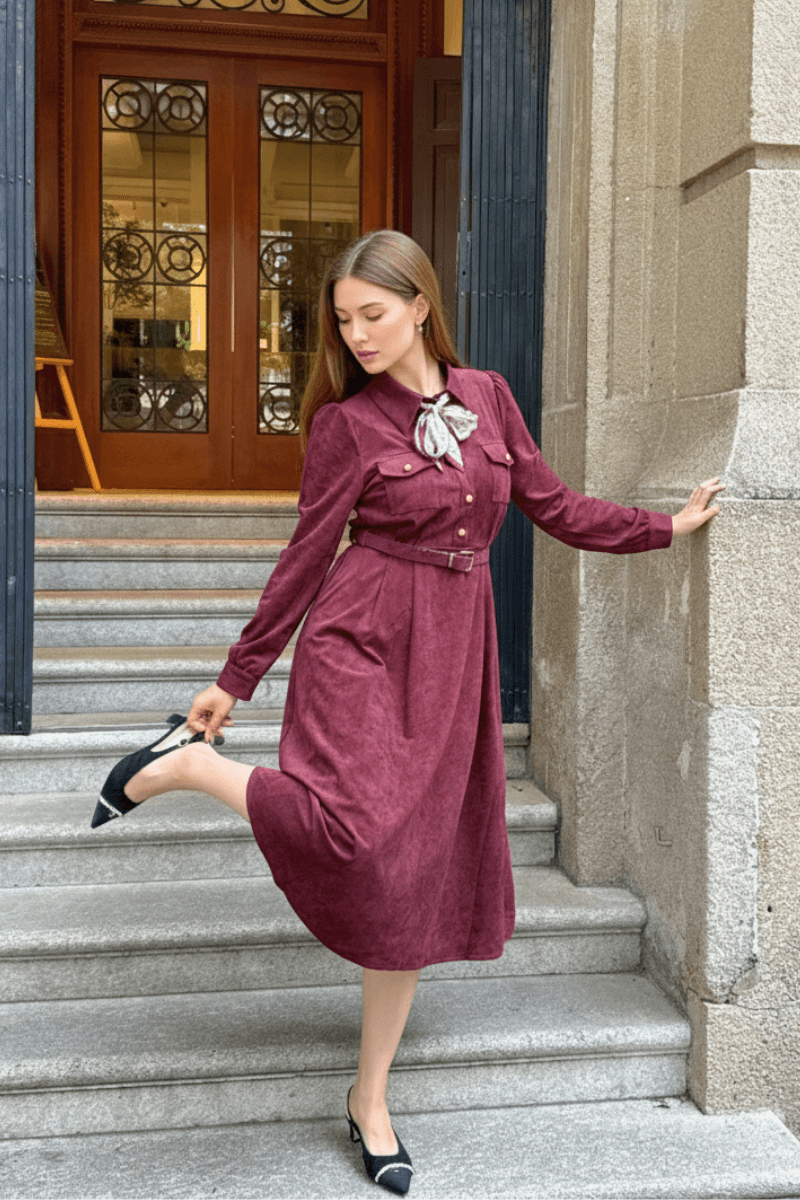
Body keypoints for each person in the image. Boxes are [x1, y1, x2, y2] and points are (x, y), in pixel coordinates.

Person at [91, 229, 724, 1195]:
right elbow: (308, 555)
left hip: (452, 651)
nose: (357, 337)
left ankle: (369, 1096)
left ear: (421, 306)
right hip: (362, 637)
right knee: (357, 838)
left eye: (373, 315)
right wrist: (238, 677)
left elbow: (553, 507)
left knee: (416, 878)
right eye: (343, 323)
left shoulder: (492, 400)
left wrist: (664, 528)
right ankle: (188, 765)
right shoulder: (345, 427)